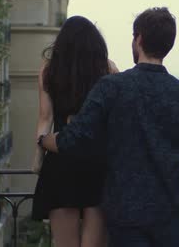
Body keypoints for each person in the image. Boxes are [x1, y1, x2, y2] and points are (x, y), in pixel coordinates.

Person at [38, 7, 179, 247]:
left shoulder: (112, 87)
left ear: (138, 39)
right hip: (165, 212)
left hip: (123, 210)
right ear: (169, 44)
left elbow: (76, 136)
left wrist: (44, 141)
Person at [32, 16, 118, 247]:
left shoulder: (49, 71)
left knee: (65, 243)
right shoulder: (108, 69)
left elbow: (45, 118)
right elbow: (115, 120)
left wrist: (38, 159)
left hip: (62, 160)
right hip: (98, 162)